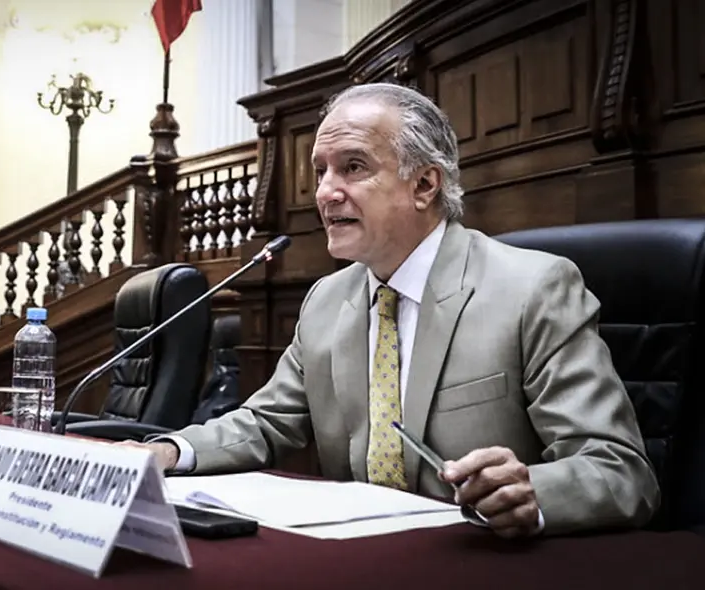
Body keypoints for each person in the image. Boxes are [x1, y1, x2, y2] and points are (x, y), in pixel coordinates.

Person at [131, 82, 660, 538]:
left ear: (425, 184)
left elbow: (620, 474)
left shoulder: (533, 287)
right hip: (361, 560)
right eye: (320, 172)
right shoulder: (327, 301)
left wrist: (532, 493)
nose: (325, 193)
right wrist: (168, 453)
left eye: (353, 167)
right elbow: (267, 422)